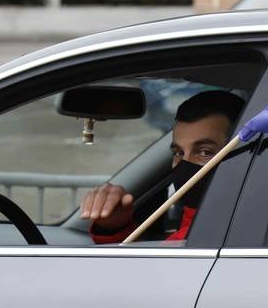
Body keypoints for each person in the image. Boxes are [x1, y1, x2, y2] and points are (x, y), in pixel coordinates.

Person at [81, 90, 246, 243]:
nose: (184, 164)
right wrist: (113, 227)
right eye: (178, 152)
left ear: (241, 154)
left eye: (204, 152)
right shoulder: (196, 231)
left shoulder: (215, 237)